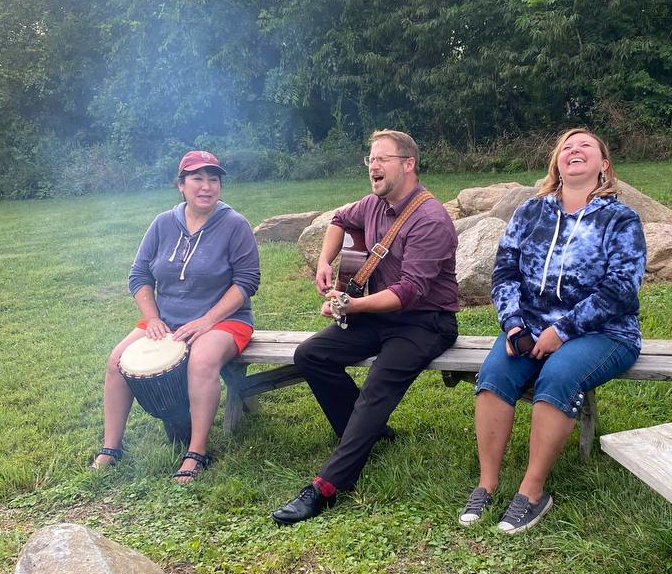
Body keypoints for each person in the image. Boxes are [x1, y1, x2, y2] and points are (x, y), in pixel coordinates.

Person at [458, 128, 646, 533]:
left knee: (558, 376)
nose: (575, 150)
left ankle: (532, 491)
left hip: (605, 331)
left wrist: (563, 330)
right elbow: (504, 272)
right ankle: (487, 485)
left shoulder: (620, 219)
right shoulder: (530, 212)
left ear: (604, 165)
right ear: (557, 163)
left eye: (586, 146)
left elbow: (621, 289)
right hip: (530, 325)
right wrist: (512, 324)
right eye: (567, 147)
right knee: (493, 377)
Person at [271, 129, 459, 525]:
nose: (373, 166)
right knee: (311, 355)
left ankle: (330, 485)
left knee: (377, 385)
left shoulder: (431, 218)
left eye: (382, 159)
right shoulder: (373, 203)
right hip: (379, 314)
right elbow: (339, 219)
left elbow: (408, 292)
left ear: (408, 165)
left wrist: (352, 304)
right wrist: (324, 262)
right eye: (370, 158)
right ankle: (367, 435)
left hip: (425, 321)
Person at [91, 150, 260, 483]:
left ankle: (196, 452)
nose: (207, 186)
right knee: (116, 361)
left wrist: (208, 320)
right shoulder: (163, 224)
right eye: (197, 178)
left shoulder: (234, 225)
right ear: (181, 185)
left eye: (214, 179)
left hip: (226, 320)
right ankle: (111, 447)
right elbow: (139, 275)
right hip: (166, 320)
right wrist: (152, 318)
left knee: (201, 360)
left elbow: (247, 282)